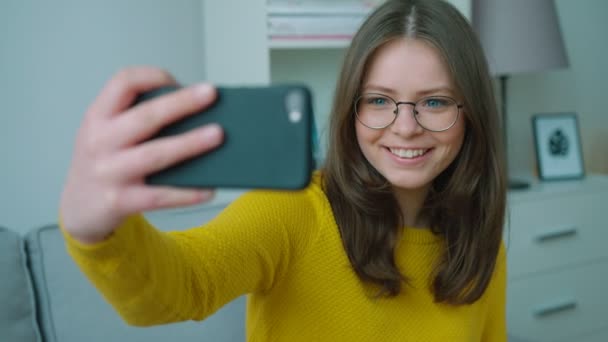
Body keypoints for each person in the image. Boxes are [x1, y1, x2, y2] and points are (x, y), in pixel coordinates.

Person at [59, 0, 507, 340]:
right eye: (379, 101)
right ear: (350, 109)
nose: (405, 128)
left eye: (435, 102)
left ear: (472, 113)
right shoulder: (291, 211)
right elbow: (180, 287)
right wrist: (93, 229)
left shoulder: (481, 245)